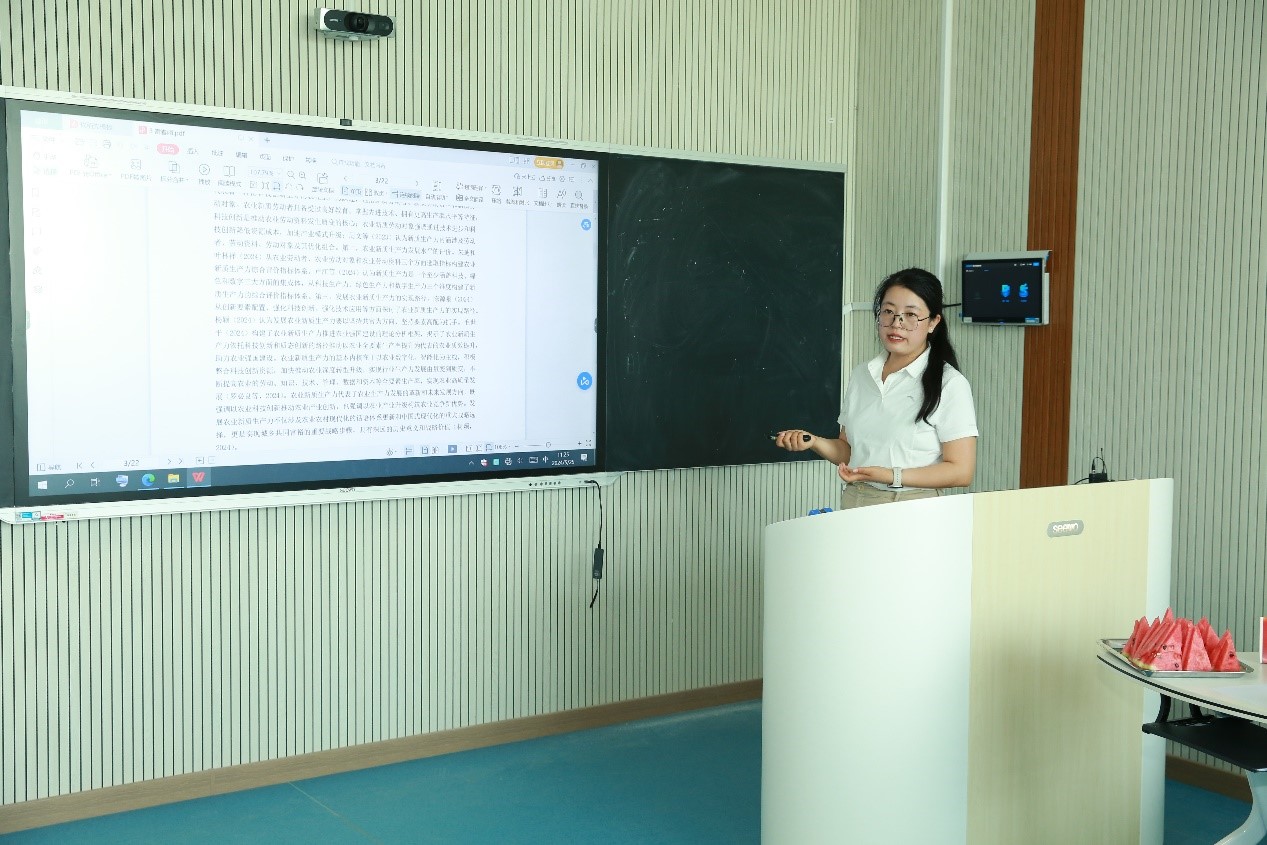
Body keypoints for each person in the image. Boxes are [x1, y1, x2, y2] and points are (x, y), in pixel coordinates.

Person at [774, 267, 977, 508]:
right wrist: (814, 442)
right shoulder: (862, 375)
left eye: (911, 315)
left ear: (933, 322)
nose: (896, 324)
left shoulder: (950, 384)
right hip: (855, 499)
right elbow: (850, 452)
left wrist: (892, 476)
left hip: (912, 507)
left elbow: (961, 471)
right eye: (888, 312)